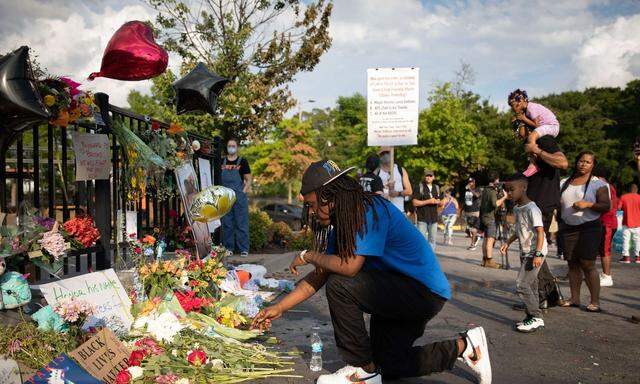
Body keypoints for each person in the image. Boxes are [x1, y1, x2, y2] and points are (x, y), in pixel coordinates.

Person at [252, 160, 492, 384]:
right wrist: (279, 307)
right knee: (388, 366)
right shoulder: (343, 223)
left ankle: (360, 368)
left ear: (328, 195)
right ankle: (466, 347)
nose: (311, 212)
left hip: (421, 292)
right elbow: (320, 274)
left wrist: (308, 255)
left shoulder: (369, 210)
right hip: (394, 293)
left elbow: (348, 267)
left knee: (340, 284)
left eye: (312, 205)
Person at [514, 117, 568, 309]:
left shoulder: (543, 140)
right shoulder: (532, 145)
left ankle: (539, 296)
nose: (515, 133)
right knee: (536, 251)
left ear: (526, 127)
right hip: (534, 205)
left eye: (517, 127)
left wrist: (536, 150)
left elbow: (562, 162)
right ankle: (550, 294)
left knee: (533, 251)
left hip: (541, 205)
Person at [558, 151, 610, 313]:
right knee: (572, 263)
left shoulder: (598, 184)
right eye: (581, 161)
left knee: (587, 264)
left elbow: (606, 206)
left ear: (593, 165)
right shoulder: (564, 182)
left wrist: (588, 204)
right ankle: (574, 299)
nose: (583, 164)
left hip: (590, 227)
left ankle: (595, 301)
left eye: (588, 162)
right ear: (576, 162)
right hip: (568, 227)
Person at [501, 174, 548, 333]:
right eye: (506, 190)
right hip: (525, 250)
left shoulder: (532, 208)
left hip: (535, 252)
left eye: (512, 189)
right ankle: (531, 316)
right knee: (531, 285)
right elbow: (519, 229)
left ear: (524, 188)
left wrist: (538, 254)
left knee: (521, 284)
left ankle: (536, 316)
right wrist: (508, 242)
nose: (509, 193)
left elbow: (540, 232)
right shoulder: (517, 208)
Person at [508, 89, 560, 177]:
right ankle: (532, 162)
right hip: (546, 127)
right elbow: (523, 133)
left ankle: (533, 164)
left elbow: (536, 125)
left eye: (513, 105)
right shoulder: (527, 111)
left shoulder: (531, 108)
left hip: (552, 126)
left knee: (531, 137)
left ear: (520, 101)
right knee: (529, 137)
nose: (513, 108)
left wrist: (523, 119)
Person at [220, 138, 252, 257]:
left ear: (237, 147)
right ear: (227, 147)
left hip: (239, 196)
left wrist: (243, 191)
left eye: (233, 146)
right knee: (227, 223)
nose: (231, 147)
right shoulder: (222, 162)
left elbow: (248, 179)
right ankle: (229, 248)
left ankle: (244, 249)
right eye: (229, 146)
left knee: (241, 222)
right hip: (225, 197)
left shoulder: (242, 161)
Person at [593, 165, 618, 286]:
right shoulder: (608, 186)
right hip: (605, 222)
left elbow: (607, 206)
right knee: (600, 249)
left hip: (606, 222)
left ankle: (607, 276)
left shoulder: (603, 185)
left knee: (604, 250)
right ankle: (599, 274)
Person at [479, 173, 507, 268]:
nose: (498, 182)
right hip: (490, 218)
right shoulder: (492, 191)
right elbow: (495, 204)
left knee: (486, 238)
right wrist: (504, 197)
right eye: (498, 180)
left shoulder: (485, 189)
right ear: (495, 180)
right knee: (490, 239)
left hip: (484, 217)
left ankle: (484, 259)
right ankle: (489, 261)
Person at [412, 169, 442, 250]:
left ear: (433, 177)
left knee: (432, 241)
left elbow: (441, 203)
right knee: (421, 241)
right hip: (422, 218)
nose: (428, 177)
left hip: (434, 219)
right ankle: (422, 258)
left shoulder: (437, 188)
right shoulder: (419, 187)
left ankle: (430, 259)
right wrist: (428, 201)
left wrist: (439, 202)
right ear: (424, 177)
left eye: (430, 176)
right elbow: (414, 202)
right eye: (427, 176)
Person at [376, 147, 412, 212]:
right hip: (383, 212)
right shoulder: (377, 172)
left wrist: (397, 193)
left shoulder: (400, 170)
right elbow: (372, 193)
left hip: (399, 211)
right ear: (379, 156)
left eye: (387, 152)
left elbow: (409, 191)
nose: (385, 155)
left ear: (392, 153)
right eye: (383, 153)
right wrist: (383, 191)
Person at [618, 183, 640, 264]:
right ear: (636, 189)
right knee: (638, 240)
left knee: (626, 240)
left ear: (628, 189)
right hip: (638, 223)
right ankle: (638, 258)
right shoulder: (639, 197)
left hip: (626, 222)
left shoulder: (623, 197)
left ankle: (626, 258)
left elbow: (619, 208)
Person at [463, 177, 482, 250]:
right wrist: (462, 210)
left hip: (474, 212)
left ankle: (473, 245)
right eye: (469, 182)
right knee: (468, 230)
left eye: (471, 182)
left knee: (473, 229)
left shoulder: (477, 189)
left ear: (474, 183)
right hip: (467, 211)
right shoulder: (466, 191)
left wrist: (470, 189)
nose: (470, 183)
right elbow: (466, 201)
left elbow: (477, 195)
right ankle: (476, 238)